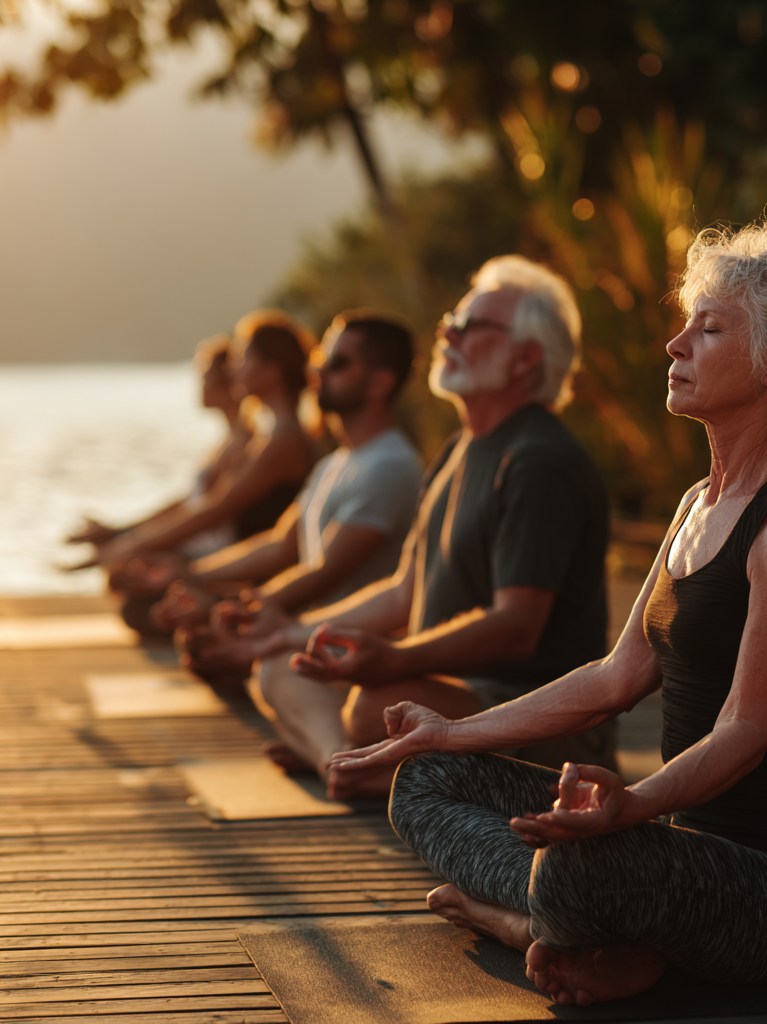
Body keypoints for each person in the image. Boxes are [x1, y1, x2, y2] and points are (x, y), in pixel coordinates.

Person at [326, 219, 767, 1005]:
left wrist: (633, 806)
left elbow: (747, 729)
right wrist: (447, 732)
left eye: (709, 330)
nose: (675, 345)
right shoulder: (697, 504)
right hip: (682, 855)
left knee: (580, 866)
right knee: (427, 781)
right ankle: (603, 934)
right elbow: (614, 678)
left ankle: (530, 923)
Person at [197, 255, 614, 796]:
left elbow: (516, 624)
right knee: (282, 664)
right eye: (451, 322)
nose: (449, 334)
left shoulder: (539, 460)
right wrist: (289, 632)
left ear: (525, 358)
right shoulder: (457, 451)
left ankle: (353, 762)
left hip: (533, 717)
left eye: (471, 326)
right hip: (442, 695)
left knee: (375, 705)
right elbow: (403, 592)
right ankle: (350, 764)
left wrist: (396, 659)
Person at [152, 312, 422, 640]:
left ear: (380, 383)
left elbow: (324, 573)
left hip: (349, 646)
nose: (318, 370)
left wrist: (226, 609)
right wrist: (190, 577)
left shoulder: (388, 466)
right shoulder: (335, 462)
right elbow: (280, 545)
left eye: (336, 362)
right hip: (312, 636)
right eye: (320, 358)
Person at [100, 310, 319, 621]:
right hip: (240, 563)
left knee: (141, 608)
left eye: (243, 358)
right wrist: (127, 538)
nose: (234, 368)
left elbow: (216, 509)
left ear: (272, 370)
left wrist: (130, 545)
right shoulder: (271, 435)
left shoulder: (284, 440)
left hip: (258, 574)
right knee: (138, 600)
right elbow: (204, 504)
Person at [66, 335, 252, 563]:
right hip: (197, 541)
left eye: (206, 375)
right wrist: (120, 532)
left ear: (227, 380)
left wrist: (129, 545)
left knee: (122, 566)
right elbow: (188, 503)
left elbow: (208, 512)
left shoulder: (243, 443)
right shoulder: (226, 440)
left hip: (212, 550)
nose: (199, 383)